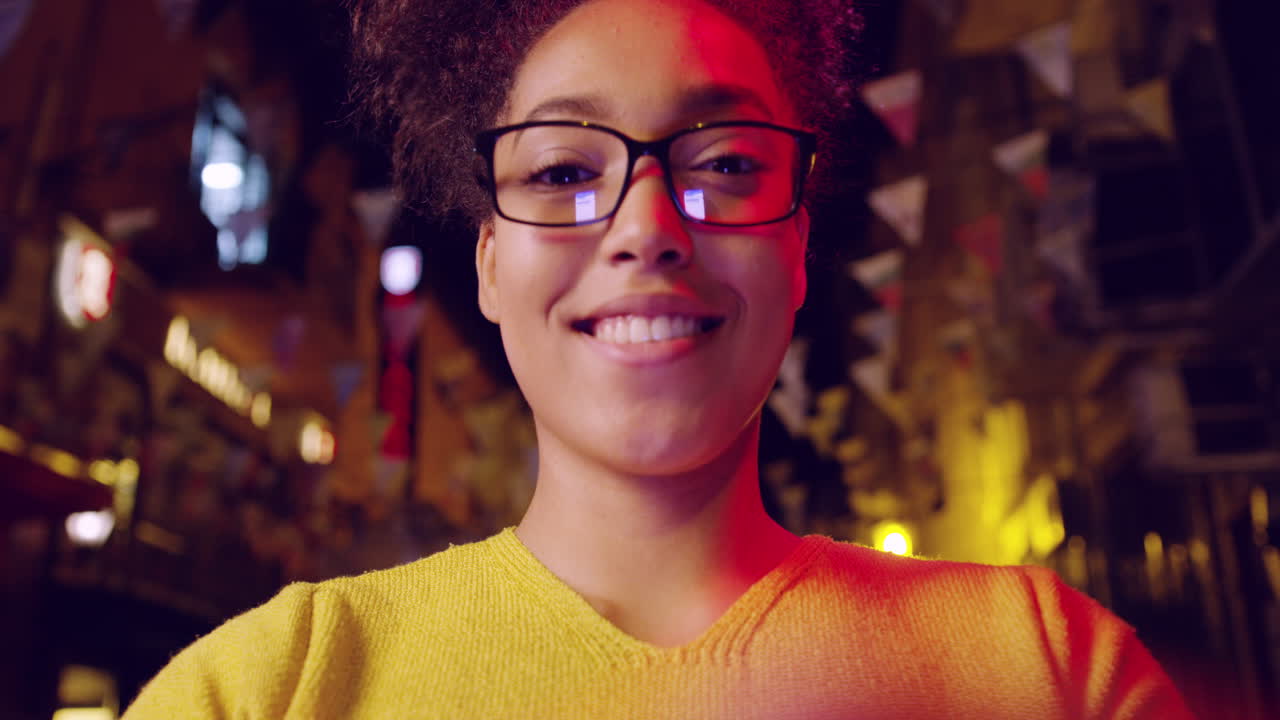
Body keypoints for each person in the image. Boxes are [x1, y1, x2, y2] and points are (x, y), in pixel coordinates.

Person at [124, 0, 1197, 717]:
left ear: (796, 248)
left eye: (725, 162)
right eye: (558, 172)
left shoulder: (1044, 669)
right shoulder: (277, 685)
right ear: (491, 267)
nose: (647, 228)